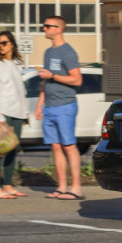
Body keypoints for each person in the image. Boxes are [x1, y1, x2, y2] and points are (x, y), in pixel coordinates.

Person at [36, 16, 84, 199]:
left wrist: (53, 76)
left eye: (47, 26)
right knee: (55, 147)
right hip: (49, 107)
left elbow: (77, 80)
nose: (44, 28)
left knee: (69, 146)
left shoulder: (68, 52)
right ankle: (62, 186)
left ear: (59, 29)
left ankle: (76, 188)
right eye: (44, 25)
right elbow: (45, 81)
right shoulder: (48, 52)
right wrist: (40, 105)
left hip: (65, 106)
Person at [0, 30, 29, 199]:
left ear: (12, 44)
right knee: (1, 150)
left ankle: (8, 185)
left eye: (4, 43)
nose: (1, 46)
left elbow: (20, 90)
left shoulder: (16, 63)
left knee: (13, 149)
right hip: (4, 112)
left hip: (17, 111)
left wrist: (25, 112)